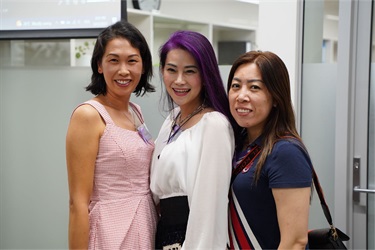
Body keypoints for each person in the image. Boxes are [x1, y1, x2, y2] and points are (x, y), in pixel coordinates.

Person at [65, 20, 157, 249]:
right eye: (113, 60)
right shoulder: (88, 115)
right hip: (110, 233)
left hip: (145, 226)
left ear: (143, 66)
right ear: (99, 65)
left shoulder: (135, 111)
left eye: (132, 61)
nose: (123, 70)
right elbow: (78, 203)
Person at [150, 30, 236, 249]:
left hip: (192, 235)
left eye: (190, 71)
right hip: (166, 235)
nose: (179, 80)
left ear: (205, 75)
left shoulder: (213, 124)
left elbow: (209, 207)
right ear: (162, 72)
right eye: (171, 70)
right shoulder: (172, 120)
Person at [227, 50, 312, 249]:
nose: (241, 96)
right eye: (236, 86)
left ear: (275, 97)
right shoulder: (237, 144)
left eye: (254, 87)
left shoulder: (285, 152)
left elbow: (295, 242)